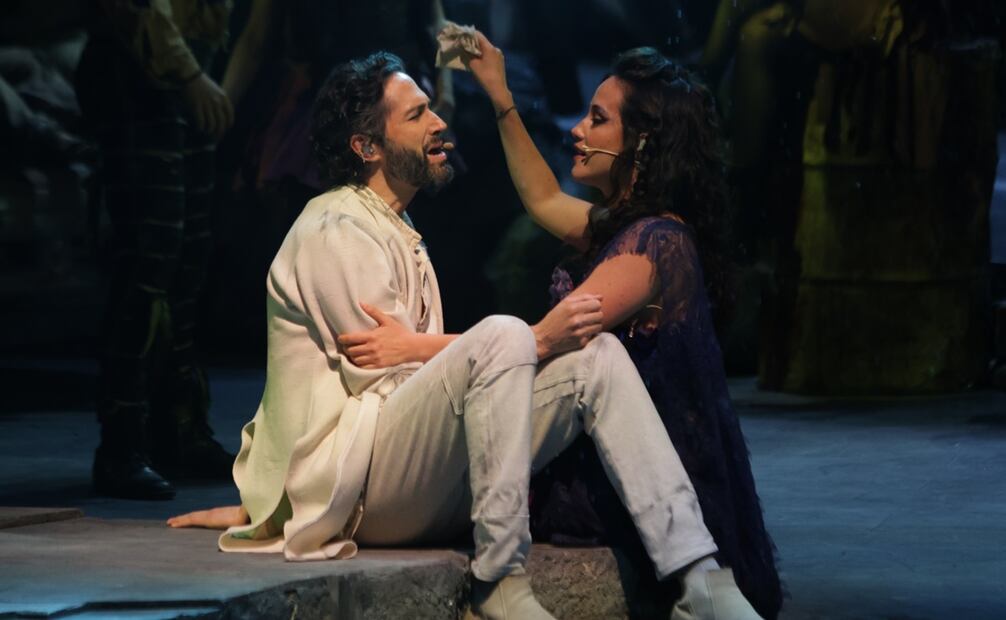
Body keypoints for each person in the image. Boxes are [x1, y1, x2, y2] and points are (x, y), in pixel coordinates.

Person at [168, 52, 763, 620]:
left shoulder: (396, 228)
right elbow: (380, 388)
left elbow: (433, 385)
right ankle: (499, 579)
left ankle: (699, 577)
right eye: (417, 114)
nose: (441, 122)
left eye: (433, 107)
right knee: (507, 332)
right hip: (365, 490)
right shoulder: (336, 227)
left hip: (421, 482)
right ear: (366, 146)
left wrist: (514, 346)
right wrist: (277, 501)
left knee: (599, 356)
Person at [461, 33, 783, 619]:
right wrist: (500, 96)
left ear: (641, 144)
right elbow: (541, 197)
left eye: (598, 119)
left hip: (624, 479)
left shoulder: (651, 244)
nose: (577, 131)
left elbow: (542, 341)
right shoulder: (625, 227)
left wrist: (414, 347)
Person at [75, 0, 236, 500]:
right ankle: (122, 445)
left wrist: (199, 77)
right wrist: (189, 75)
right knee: (149, 261)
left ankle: (178, 429)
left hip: (183, 74)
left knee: (187, 261)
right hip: (139, 72)